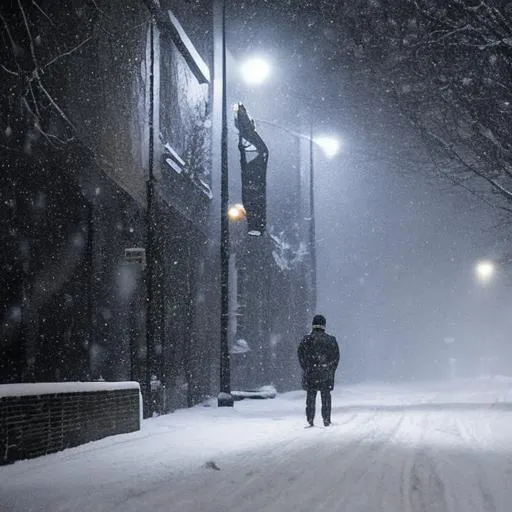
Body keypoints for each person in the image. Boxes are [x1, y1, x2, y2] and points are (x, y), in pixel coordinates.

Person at [297, 314, 340, 427]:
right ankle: (326, 419)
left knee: (311, 396)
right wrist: (330, 369)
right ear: (324, 325)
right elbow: (336, 357)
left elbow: (301, 356)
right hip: (326, 373)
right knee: (326, 396)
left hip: (311, 373)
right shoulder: (331, 340)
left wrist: (306, 368)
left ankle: (310, 419)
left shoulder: (306, 340)